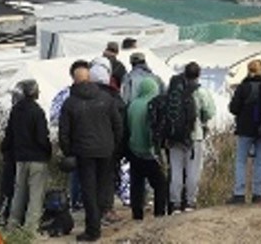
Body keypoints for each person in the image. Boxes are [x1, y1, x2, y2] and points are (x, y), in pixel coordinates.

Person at [58, 65, 123, 242]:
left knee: (88, 191)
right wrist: (114, 146)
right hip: (105, 150)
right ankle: (103, 217)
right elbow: (118, 125)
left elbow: (64, 132)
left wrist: (69, 152)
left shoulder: (70, 102)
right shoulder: (106, 98)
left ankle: (93, 230)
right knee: (103, 186)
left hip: (83, 152)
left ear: (74, 80)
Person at [2, 79, 52, 236]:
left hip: (20, 158)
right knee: (35, 195)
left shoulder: (15, 111)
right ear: (34, 93)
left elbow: (8, 136)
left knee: (19, 192)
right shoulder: (37, 112)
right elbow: (41, 137)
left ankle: (13, 223)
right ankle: (30, 228)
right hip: (37, 158)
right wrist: (48, 151)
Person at [168, 62, 216, 213]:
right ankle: (190, 202)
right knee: (193, 171)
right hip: (195, 135)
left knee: (176, 170)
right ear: (199, 74)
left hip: (175, 137)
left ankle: (175, 202)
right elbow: (209, 112)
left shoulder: (174, 91)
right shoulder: (201, 92)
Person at [89, 56, 127, 223]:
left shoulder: (77, 96)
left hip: (85, 147)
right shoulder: (113, 98)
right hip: (107, 146)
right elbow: (120, 125)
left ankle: (92, 212)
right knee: (106, 179)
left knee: (90, 179)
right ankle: (106, 210)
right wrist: (119, 145)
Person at [49, 60, 89, 212]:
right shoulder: (93, 94)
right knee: (82, 174)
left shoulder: (62, 95)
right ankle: (80, 202)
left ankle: (76, 202)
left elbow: (53, 118)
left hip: (74, 142)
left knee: (76, 174)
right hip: (83, 141)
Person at [227, 59, 261, 204]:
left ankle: (239, 193)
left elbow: (233, 108)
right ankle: (258, 194)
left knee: (241, 161)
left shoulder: (243, 87)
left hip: (245, 128)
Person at [126, 77, 168, 220]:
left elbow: (128, 127)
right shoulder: (154, 105)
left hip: (134, 150)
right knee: (160, 184)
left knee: (137, 185)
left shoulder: (132, 105)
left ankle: (137, 215)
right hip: (149, 153)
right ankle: (159, 213)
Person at [0, 83, 25, 225]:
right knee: (21, 189)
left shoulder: (15, 114)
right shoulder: (34, 112)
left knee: (8, 189)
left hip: (12, 157)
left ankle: (4, 215)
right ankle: (17, 217)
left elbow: (8, 138)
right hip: (25, 157)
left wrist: (4, 149)